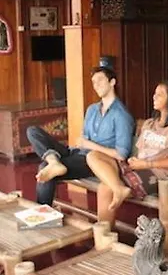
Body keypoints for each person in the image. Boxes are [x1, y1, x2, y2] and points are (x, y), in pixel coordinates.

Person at [86, 80, 168, 225]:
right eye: (155, 93)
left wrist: (147, 164)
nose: (154, 97)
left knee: (105, 187)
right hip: (137, 166)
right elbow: (140, 151)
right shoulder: (149, 123)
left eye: (159, 94)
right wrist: (134, 161)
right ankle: (118, 188)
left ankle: (104, 234)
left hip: (156, 174)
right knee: (93, 155)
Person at [27, 66, 135, 206]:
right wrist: (83, 143)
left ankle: (43, 212)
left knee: (44, 167)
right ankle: (54, 162)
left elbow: (121, 154)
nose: (96, 85)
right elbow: (84, 139)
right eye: (94, 82)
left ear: (112, 82)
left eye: (100, 80)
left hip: (93, 161)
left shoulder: (121, 115)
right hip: (75, 152)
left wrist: (90, 145)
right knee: (33, 131)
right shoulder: (92, 109)